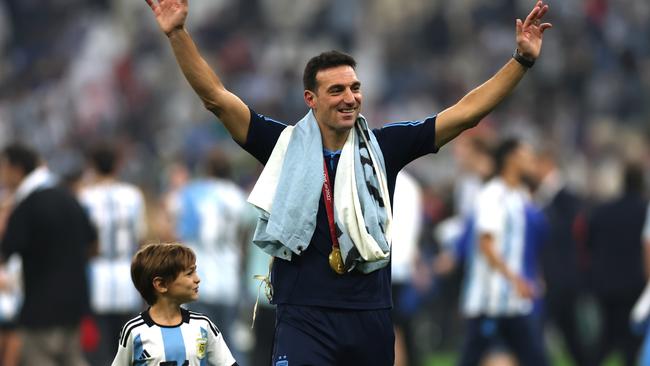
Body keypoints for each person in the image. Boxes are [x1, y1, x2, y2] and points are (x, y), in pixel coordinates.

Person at [144, 0, 552, 363]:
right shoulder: (283, 145)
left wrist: (521, 61)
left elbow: (466, 113)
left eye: (355, 88)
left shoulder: (385, 147)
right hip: (303, 316)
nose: (350, 98)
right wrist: (178, 33)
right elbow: (217, 98)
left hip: (369, 316)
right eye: (336, 90)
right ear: (311, 99)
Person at [0, 143, 97, 366]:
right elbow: (92, 242)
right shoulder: (68, 197)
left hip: (40, 310)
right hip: (74, 305)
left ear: (16, 169)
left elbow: (6, 250)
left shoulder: (27, 205)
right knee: (73, 358)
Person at [458, 138, 549, 366]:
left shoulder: (521, 196)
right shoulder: (491, 194)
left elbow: (523, 246)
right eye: (526, 155)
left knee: (534, 356)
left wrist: (534, 276)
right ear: (511, 159)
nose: (531, 161)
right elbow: (486, 245)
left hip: (513, 300)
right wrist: (516, 279)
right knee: (473, 357)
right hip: (490, 298)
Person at [169, 148, 251, 361]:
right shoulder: (237, 196)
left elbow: (175, 229)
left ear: (207, 169)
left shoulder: (190, 193)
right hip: (229, 278)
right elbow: (243, 237)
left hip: (199, 279)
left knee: (198, 347)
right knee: (228, 345)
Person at [111, 242, 237, 366]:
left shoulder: (203, 325)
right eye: (189, 273)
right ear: (161, 284)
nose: (197, 279)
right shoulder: (134, 331)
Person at [79, 144, 147, 365]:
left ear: (92, 166)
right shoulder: (133, 195)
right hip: (126, 274)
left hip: (96, 275)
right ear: (117, 166)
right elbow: (141, 238)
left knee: (98, 349)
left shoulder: (85, 197)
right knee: (127, 346)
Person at [587, 162, 647, 366]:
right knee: (632, 342)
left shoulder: (603, 211)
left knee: (606, 338)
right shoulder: (644, 212)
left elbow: (589, 244)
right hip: (635, 286)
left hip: (606, 286)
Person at [534, 149, 589, 366]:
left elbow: (565, 236)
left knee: (537, 331)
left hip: (559, 277)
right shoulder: (547, 197)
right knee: (571, 336)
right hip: (558, 277)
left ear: (546, 164)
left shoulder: (566, 197)